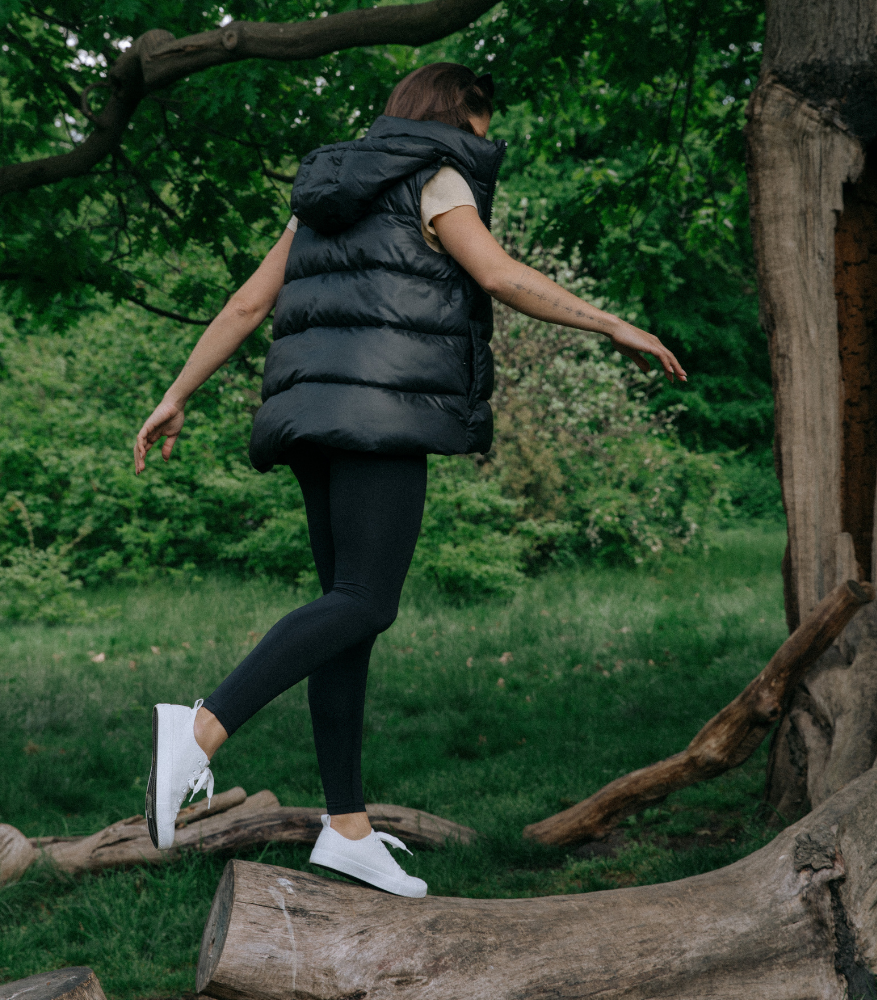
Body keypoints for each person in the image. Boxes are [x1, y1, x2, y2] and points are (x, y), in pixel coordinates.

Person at [133, 64, 686, 897]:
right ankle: (200, 730)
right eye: (482, 121)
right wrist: (610, 322)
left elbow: (250, 304)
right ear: (457, 114)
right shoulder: (437, 176)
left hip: (309, 418)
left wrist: (177, 393)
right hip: (380, 415)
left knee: (343, 616)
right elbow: (496, 274)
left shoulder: (329, 191)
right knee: (365, 600)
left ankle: (347, 828)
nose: (484, 138)